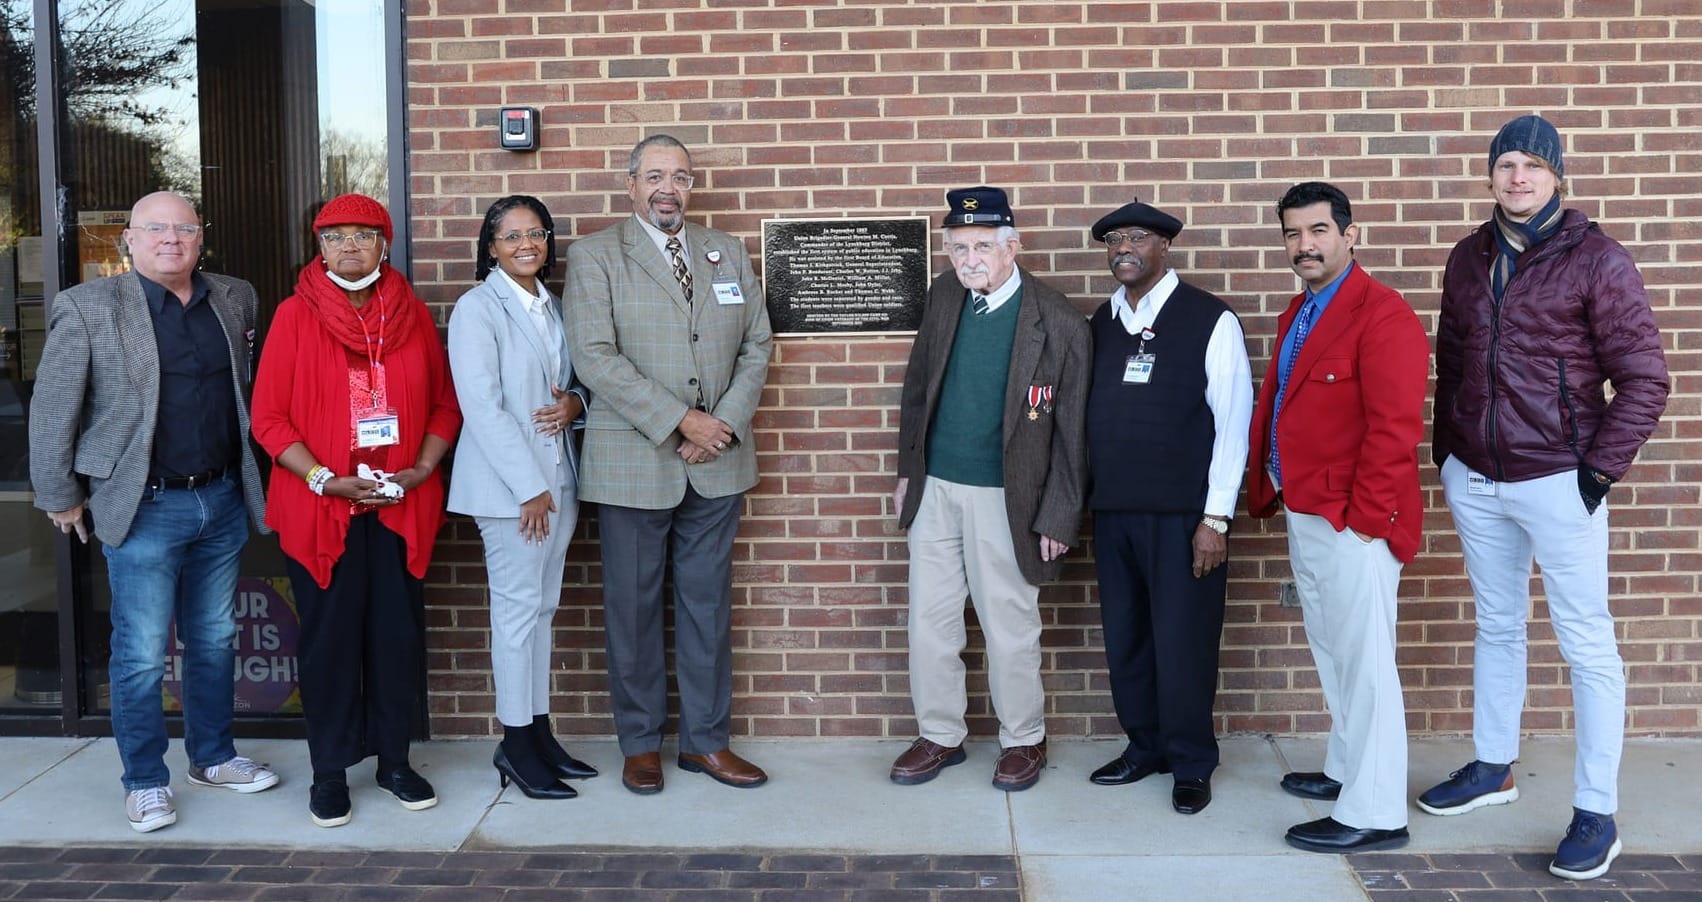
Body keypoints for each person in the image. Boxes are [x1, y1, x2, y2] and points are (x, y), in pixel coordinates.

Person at [1422, 114, 1670, 881]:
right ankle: (1493, 767)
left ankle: (1597, 811)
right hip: (1478, 476)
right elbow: (1454, 361)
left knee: (1586, 643)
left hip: (1560, 478)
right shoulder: (1468, 258)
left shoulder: (1598, 260)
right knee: (1497, 624)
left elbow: (1645, 378)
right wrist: (1447, 452)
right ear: (1492, 174)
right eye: (1506, 164)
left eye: (1532, 164)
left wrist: (1594, 474)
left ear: (1556, 174)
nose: (1517, 177)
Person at [28, 191, 279, 833]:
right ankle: (143, 780)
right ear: (129, 241)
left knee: (215, 639)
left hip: (221, 497)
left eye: (185, 228)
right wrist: (59, 492)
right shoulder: (87, 307)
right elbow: (55, 407)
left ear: (202, 237)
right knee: (139, 652)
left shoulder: (235, 296)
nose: (172, 239)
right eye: (156, 229)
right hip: (142, 505)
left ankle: (213, 757)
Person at [564, 134, 774, 795]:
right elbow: (595, 357)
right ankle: (640, 744)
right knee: (632, 609)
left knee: (708, 608)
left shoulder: (727, 251)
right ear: (630, 185)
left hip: (716, 463)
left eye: (680, 177)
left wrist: (720, 427)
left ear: (692, 185)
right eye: (655, 175)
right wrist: (681, 421)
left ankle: (707, 743)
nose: (668, 188)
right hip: (634, 462)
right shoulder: (598, 255)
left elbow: (757, 346)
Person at [250, 193, 462, 827]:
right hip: (324, 508)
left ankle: (394, 761)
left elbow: (445, 406)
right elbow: (269, 419)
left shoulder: (413, 315)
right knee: (330, 643)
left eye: (363, 235)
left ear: (385, 244)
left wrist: (423, 469)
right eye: (335, 236)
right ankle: (329, 770)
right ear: (319, 247)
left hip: (399, 506)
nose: (349, 246)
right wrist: (324, 479)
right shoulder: (294, 315)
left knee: (395, 639)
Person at [889, 185, 1090, 793]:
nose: (968, 258)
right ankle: (940, 734)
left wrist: (1058, 512)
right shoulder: (946, 295)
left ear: (1012, 246)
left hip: (1009, 498)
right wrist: (907, 474)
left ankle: (1023, 738)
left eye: (981, 246)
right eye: (957, 246)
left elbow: (1074, 434)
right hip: (937, 490)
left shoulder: (1057, 321)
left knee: (1009, 625)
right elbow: (918, 390)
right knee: (930, 623)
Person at [1247, 181, 1428, 853]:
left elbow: (1394, 430)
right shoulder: (1302, 309)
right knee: (1335, 653)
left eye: (1318, 231)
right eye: (1293, 233)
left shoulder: (1382, 315)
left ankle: (1378, 812)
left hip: (1354, 520)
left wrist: (1362, 522)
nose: (1305, 245)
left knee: (1369, 665)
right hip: (1306, 509)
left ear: (1350, 235)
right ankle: (1350, 770)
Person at [1082, 200, 1252, 814]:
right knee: (1126, 639)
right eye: (1114, 239)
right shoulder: (1102, 322)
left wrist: (1215, 519)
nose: (1124, 247)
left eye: (1139, 237)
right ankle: (1144, 746)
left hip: (1185, 520)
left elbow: (1234, 425)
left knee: (1183, 642)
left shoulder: (1209, 319)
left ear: (1166, 247)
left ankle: (1190, 762)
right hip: (1115, 513)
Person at [447, 195, 599, 801]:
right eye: (510, 236)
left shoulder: (554, 306)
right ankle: (514, 746)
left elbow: (575, 383)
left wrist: (576, 404)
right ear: (491, 247)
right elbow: (481, 407)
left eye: (535, 233)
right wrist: (529, 489)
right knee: (515, 615)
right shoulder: (477, 309)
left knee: (542, 610)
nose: (525, 244)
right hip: (514, 491)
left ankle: (538, 731)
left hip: (559, 479)